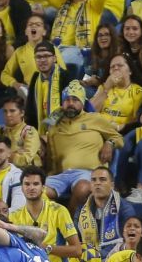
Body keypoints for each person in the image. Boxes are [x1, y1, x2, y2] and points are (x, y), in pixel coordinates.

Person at [44, 80, 123, 212]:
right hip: (61, 175)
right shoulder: (55, 122)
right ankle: (50, 223)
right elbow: (45, 130)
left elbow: (118, 138)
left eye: (75, 100)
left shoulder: (95, 119)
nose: (70, 104)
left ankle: (68, 223)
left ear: (83, 102)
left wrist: (109, 143)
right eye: (67, 100)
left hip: (86, 173)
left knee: (83, 188)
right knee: (36, 191)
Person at [74, 166, 136, 258]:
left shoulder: (124, 208)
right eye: (94, 180)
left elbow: (129, 241)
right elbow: (74, 239)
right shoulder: (81, 209)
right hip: (87, 258)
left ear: (112, 185)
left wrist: (98, 255)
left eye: (102, 180)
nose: (97, 183)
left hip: (115, 258)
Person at [1, 15, 67, 100]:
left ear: (44, 32)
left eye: (38, 24)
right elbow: (4, 74)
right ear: (25, 31)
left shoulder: (52, 48)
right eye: (30, 24)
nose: (33, 26)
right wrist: (15, 84)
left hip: (50, 92)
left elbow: (63, 73)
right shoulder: (19, 52)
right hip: (29, 93)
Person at [25, 41, 74, 133]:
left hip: (63, 129)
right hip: (40, 131)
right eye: (38, 57)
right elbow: (30, 112)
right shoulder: (35, 78)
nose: (42, 60)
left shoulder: (65, 76)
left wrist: (50, 125)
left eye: (46, 56)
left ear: (55, 58)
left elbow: (69, 108)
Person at [90, 54, 142, 133]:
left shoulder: (138, 91)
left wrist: (118, 127)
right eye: (112, 67)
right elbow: (90, 111)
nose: (116, 68)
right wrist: (106, 89)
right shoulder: (103, 87)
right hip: (96, 128)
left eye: (120, 65)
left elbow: (137, 120)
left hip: (119, 132)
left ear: (130, 71)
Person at [0, 95, 42, 167]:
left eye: (12, 111)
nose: (8, 114)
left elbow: (25, 160)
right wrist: (15, 153)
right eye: (5, 111)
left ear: (22, 113)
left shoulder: (29, 132)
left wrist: (2, 154)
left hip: (26, 174)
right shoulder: (0, 131)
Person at [81, 23, 119, 93]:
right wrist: (85, 82)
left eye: (106, 34)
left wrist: (98, 82)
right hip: (91, 89)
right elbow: (87, 76)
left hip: (109, 93)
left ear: (112, 37)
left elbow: (117, 84)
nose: (103, 38)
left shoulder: (118, 58)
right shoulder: (90, 55)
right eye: (100, 35)